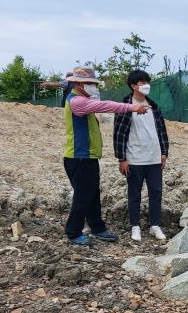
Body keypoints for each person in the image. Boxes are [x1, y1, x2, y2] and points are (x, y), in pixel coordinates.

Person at [62, 66, 149, 246]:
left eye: (93, 83)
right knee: (83, 196)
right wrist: (132, 107)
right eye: (89, 83)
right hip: (79, 157)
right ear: (78, 84)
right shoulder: (77, 102)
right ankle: (73, 231)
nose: (92, 87)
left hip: (88, 157)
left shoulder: (80, 100)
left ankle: (98, 228)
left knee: (93, 195)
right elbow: (105, 105)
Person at [113, 69, 169, 241]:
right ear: (133, 86)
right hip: (134, 157)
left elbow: (161, 130)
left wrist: (164, 152)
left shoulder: (154, 106)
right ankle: (135, 226)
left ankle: (155, 225)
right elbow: (119, 133)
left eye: (147, 82)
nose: (146, 85)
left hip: (154, 157)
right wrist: (122, 158)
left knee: (156, 192)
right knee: (134, 194)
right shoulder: (125, 106)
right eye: (142, 82)